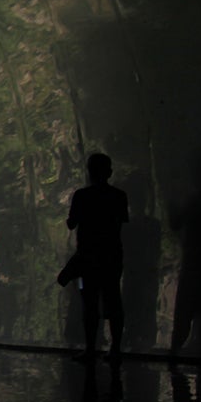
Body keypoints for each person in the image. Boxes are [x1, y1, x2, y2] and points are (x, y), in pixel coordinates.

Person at [67, 153, 129, 362]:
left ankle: (91, 348)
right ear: (109, 172)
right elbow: (121, 223)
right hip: (112, 256)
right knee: (113, 300)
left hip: (88, 258)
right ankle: (115, 348)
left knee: (90, 302)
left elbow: (71, 223)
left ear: (89, 172)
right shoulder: (119, 196)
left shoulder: (81, 196)